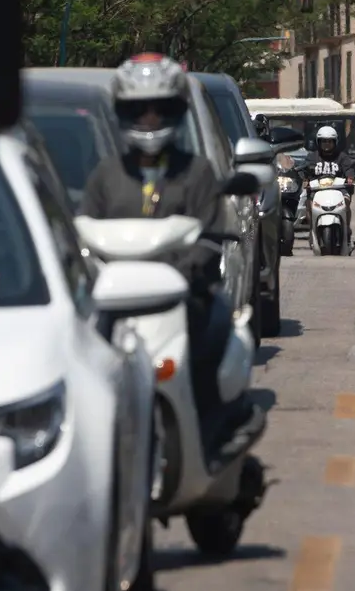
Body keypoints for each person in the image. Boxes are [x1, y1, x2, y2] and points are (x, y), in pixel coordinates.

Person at [79, 53, 239, 447]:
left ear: (177, 110)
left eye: (160, 108)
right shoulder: (105, 175)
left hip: (184, 300)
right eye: (139, 109)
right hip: (114, 303)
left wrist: (182, 274)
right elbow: (82, 236)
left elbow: (210, 237)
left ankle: (209, 438)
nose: (149, 118)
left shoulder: (199, 172)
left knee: (215, 336)